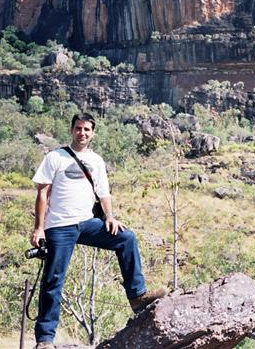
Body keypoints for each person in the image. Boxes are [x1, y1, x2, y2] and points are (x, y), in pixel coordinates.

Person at [31, 112, 166, 349]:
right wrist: (39, 228)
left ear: (92, 133)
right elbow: (42, 194)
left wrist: (110, 217)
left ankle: (137, 296)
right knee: (53, 280)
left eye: (87, 129)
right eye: (78, 128)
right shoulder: (55, 157)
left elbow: (103, 193)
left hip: (87, 223)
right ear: (71, 130)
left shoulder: (96, 160)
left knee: (126, 238)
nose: (82, 133)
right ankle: (45, 339)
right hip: (59, 226)